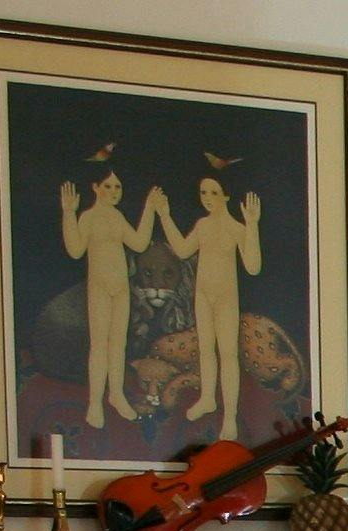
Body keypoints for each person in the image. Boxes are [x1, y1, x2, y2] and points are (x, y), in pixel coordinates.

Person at [158, 175, 263, 440]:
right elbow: (182, 250)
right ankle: (207, 398)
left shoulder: (236, 228)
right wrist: (165, 216)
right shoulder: (202, 225)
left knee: (227, 354)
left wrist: (252, 226)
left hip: (226, 299)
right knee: (205, 349)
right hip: (203, 297)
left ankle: (229, 417)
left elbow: (253, 266)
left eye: (213, 192)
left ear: (225, 196)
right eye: (203, 192)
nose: (207, 198)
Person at [58, 171, 160, 431]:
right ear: (96, 187)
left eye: (118, 187)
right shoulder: (89, 217)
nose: (114, 191)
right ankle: (95, 403)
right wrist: (69, 212)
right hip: (100, 288)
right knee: (100, 345)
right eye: (109, 186)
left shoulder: (117, 217)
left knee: (118, 345)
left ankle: (116, 395)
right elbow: (75, 249)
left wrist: (149, 208)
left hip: (120, 289)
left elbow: (138, 243)